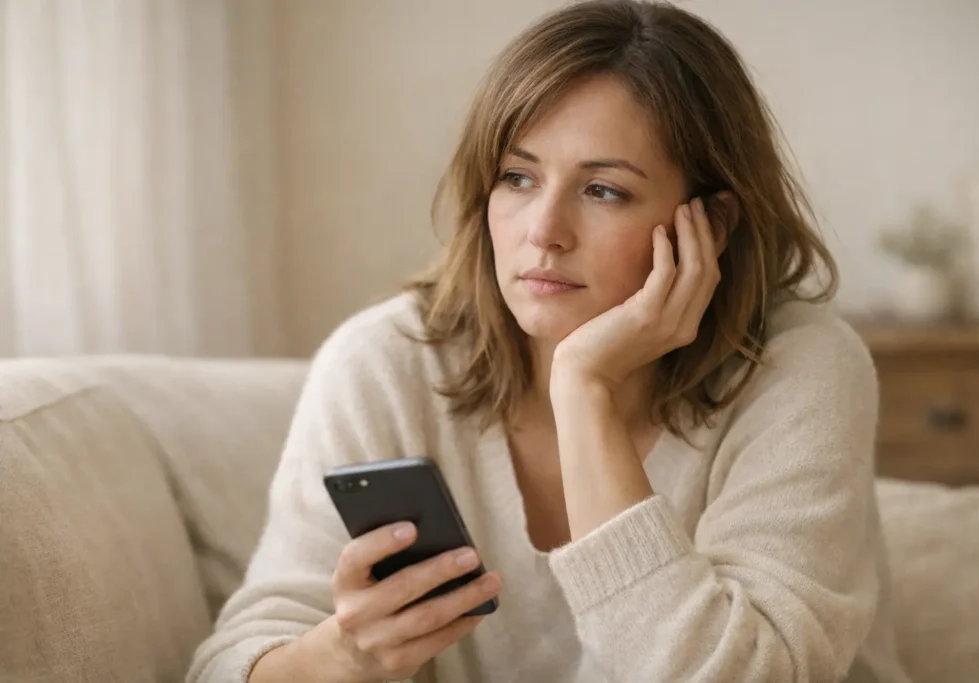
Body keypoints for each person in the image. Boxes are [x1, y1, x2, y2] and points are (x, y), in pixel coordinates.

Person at [188, 1, 912, 681]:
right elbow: (230, 661)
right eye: (518, 177)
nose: (543, 231)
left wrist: (583, 388)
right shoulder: (386, 361)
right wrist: (343, 653)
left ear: (710, 225)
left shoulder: (800, 368)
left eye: (604, 190)